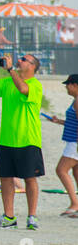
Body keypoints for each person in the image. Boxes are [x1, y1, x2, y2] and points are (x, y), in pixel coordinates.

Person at [0, 52, 44, 231]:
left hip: (28, 139)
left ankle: (32, 216)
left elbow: (23, 89)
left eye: (24, 60)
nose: (19, 60)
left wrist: (10, 69)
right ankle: (9, 216)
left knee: (30, 178)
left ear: (33, 66)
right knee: (6, 178)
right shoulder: (9, 81)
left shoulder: (35, 84)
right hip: (7, 138)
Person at [45, 73, 78, 217]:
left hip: (75, 142)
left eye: (68, 85)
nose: (66, 87)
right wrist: (59, 122)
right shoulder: (75, 101)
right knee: (76, 173)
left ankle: (74, 203)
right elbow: (74, 122)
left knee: (61, 170)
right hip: (73, 140)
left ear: (75, 85)